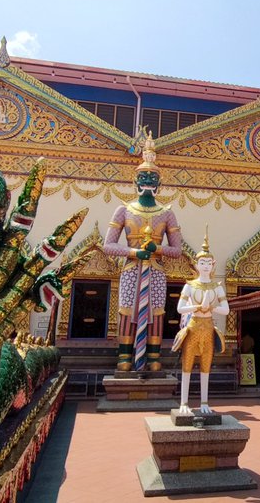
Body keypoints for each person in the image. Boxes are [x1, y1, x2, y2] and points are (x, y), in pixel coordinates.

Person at [101, 132, 184, 372]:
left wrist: (156, 248)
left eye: (152, 176)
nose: (148, 179)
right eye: (143, 175)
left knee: (157, 312)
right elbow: (109, 245)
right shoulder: (124, 210)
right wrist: (135, 252)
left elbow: (177, 250)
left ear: (159, 183)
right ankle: (125, 357)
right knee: (127, 310)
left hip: (156, 270)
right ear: (135, 181)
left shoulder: (167, 212)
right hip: (130, 268)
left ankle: (154, 356)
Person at [172, 227, 227, 413]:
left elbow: (226, 310)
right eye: (202, 262)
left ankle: (204, 402)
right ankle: (184, 403)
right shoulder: (190, 286)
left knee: (206, 366)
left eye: (208, 263)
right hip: (193, 326)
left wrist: (211, 308)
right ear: (196, 265)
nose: (205, 266)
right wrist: (196, 308)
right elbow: (179, 308)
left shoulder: (217, 287)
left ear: (213, 265)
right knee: (187, 365)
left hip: (208, 327)